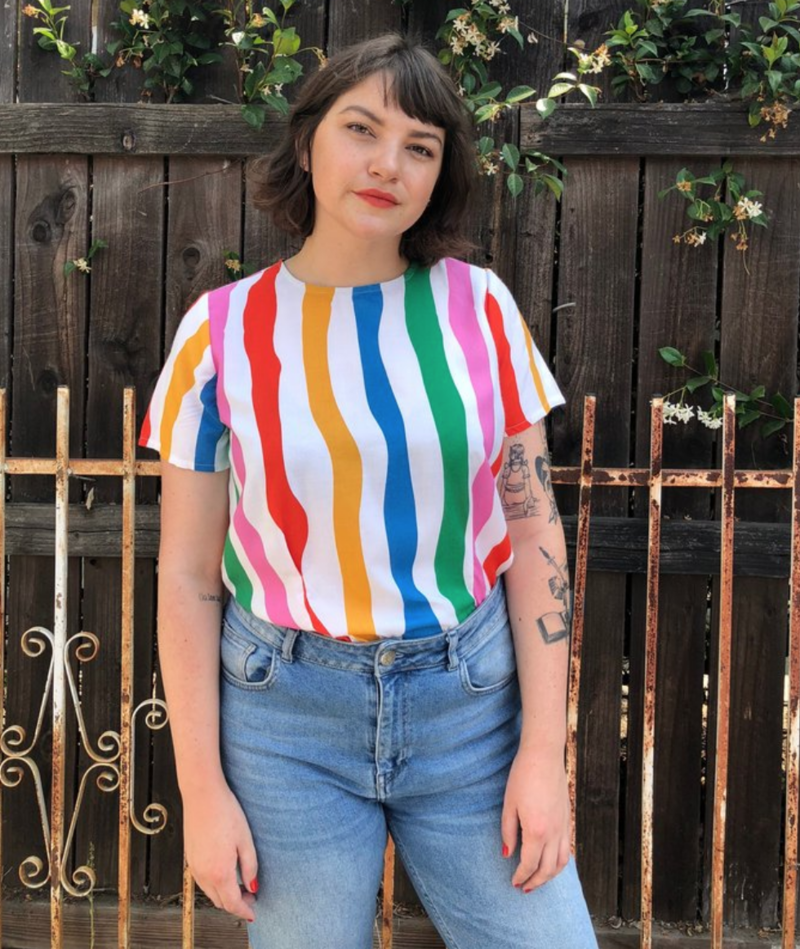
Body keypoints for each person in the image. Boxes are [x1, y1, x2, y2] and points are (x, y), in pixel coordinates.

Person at [139, 30, 599, 949]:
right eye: (361, 129)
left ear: (438, 175)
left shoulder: (481, 309)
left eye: (420, 146)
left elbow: (532, 529)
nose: (389, 163)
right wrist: (202, 790)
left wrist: (544, 754)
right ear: (308, 142)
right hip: (284, 722)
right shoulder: (219, 335)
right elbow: (187, 577)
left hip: (470, 710)